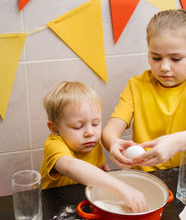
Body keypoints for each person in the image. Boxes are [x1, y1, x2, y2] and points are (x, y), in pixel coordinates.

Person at [102, 9, 186, 172]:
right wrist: (113, 143)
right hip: (146, 177)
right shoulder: (137, 85)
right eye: (156, 58)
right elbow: (110, 130)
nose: (164, 67)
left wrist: (174, 143)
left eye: (175, 59)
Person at [40, 81, 147, 213]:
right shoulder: (54, 144)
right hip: (54, 209)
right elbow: (70, 166)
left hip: (83, 203)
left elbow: (91, 173)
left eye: (95, 123)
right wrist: (121, 187)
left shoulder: (90, 143)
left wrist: (101, 173)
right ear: (54, 128)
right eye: (78, 127)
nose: (90, 133)